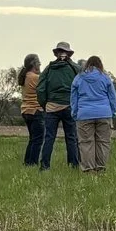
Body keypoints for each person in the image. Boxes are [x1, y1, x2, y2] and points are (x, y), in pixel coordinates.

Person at [71, 54, 116, 173]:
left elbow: (74, 97)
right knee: (103, 142)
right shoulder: (105, 77)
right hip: (104, 113)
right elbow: (112, 97)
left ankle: (88, 170)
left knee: (86, 143)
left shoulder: (79, 78)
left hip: (84, 113)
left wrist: (75, 113)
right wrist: (113, 110)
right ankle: (101, 169)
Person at [36, 42, 80, 170]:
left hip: (51, 107)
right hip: (69, 107)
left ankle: (44, 166)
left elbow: (40, 89)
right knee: (71, 137)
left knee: (49, 137)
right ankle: (73, 165)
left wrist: (45, 104)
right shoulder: (75, 69)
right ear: (69, 53)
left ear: (56, 53)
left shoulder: (49, 69)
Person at [18, 52, 45, 166]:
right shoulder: (36, 77)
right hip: (36, 110)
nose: (40, 65)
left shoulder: (25, 77)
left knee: (32, 138)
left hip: (25, 110)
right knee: (38, 140)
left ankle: (27, 162)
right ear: (34, 64)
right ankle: (32, 163)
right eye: (39, 63)